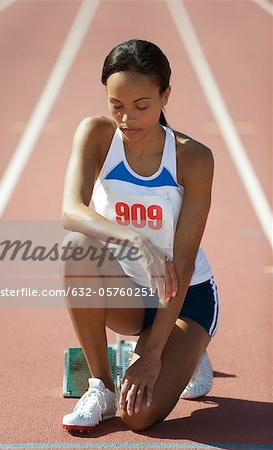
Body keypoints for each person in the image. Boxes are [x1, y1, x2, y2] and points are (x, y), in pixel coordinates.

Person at [61, 39, 219, 432]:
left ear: (165, 94)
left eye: (141, 106)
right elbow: (71, 211)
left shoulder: (192, 158)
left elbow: (180, 263)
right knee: (76, 247)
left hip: (185, 297)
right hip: (130, 292)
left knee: (140, 418)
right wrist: (134, 240)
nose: (127, 119)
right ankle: (101, 384)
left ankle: (189, 349)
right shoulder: (97, 134)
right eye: (117, 106)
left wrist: (152, 355)